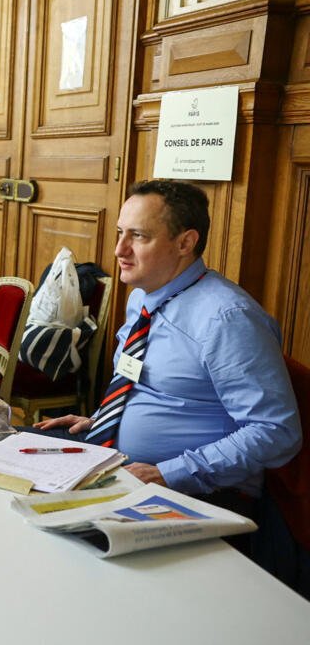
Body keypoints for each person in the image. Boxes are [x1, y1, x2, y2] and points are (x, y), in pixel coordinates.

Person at [35, 180, 301, 503]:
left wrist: (169, 473)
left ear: (185, 243)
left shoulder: (228, 319)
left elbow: (277, 432)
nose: (119, 249)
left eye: (138, 236)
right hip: (115, 459)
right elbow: (148, 388)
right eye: (120, 233)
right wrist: (103, 421)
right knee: (4, 458)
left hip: (195, 491)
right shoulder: (142, 299)